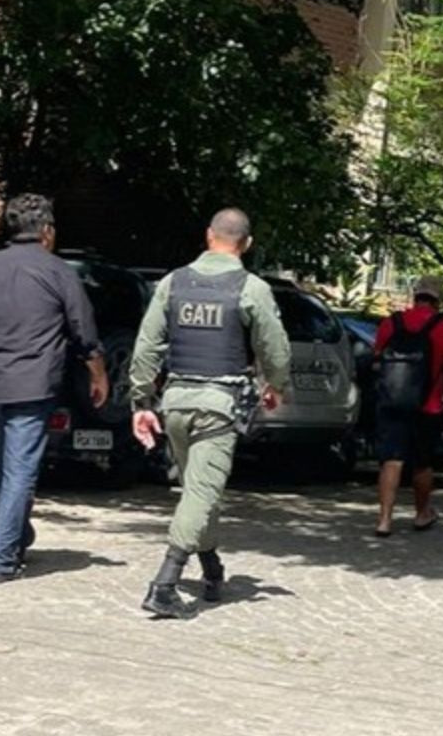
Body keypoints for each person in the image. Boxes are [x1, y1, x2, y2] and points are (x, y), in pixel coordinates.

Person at [0, 194, 108, 584]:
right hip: (35, 384)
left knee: (2, 471)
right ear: (46, 231)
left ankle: (17, 537)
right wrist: (98, 372)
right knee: (20, 472)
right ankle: (0, 559)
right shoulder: (58, 272)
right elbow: (83, 329)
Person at [128, 209, 291, 619]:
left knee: (198, 489)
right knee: (202, 493)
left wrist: (141, 403)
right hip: (218, 407)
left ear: (208, 236)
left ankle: (212, 569)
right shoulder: (251, 288)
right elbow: (274, 347)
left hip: (177, 403)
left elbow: (147, 346)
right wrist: (275, 384)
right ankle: (165, 583)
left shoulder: (173, 282)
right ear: (246, 244)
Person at [370, 275, 443, 538]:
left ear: (415, 296)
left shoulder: (391, 323)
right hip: (428, 405)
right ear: (438, 299)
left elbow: (377, 360)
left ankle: (384, 520)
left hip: (391, 402)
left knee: (391, 459)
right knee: (422, 463)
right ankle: (422, 513)